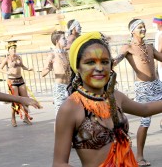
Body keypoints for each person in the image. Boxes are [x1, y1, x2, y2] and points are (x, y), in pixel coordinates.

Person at [53, 31, 162, 166]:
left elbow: (145, 109)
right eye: (90, 62)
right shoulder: (70, 107)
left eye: (104, 62)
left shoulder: (115, 96)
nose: (99, 68)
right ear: (78, 68)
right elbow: (59, 163)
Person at [113, 19, 162, 166]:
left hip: (157, 85)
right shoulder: (128, 48)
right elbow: (117, 59)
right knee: (145, 121)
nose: (143, 30)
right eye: (140, 27)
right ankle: (139, 156)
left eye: (144, 27)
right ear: (132, 31)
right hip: (143, 88)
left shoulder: (150, 47)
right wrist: (111, 63)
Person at [0, 41, 34, 127]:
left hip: (20, 79)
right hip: (12, 81)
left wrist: (28, 69)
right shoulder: (7, 59)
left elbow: (22, 66)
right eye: (11, 48)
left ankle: (26, 117)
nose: (13, 50)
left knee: (26, 99)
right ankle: (13, 118)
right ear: (8, 50)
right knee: (15, 101)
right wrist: (7, 72)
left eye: (14, 48)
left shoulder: (19, 57)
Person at [41, 31, 71, 116]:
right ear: (57, 41)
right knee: (60, 115)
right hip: (59, 88)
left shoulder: (65, 53)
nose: (66, 40)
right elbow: (43, 73)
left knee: (70, 114)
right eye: (63, 38)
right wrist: (48, 69)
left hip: (69, 86)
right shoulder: (52, 55)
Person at [154, 15, 162, 80]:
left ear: (159, 24)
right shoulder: (158, 33)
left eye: (155, 23)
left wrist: (156, 61)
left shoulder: (161, 34)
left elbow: (159, 50)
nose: (154, 25)